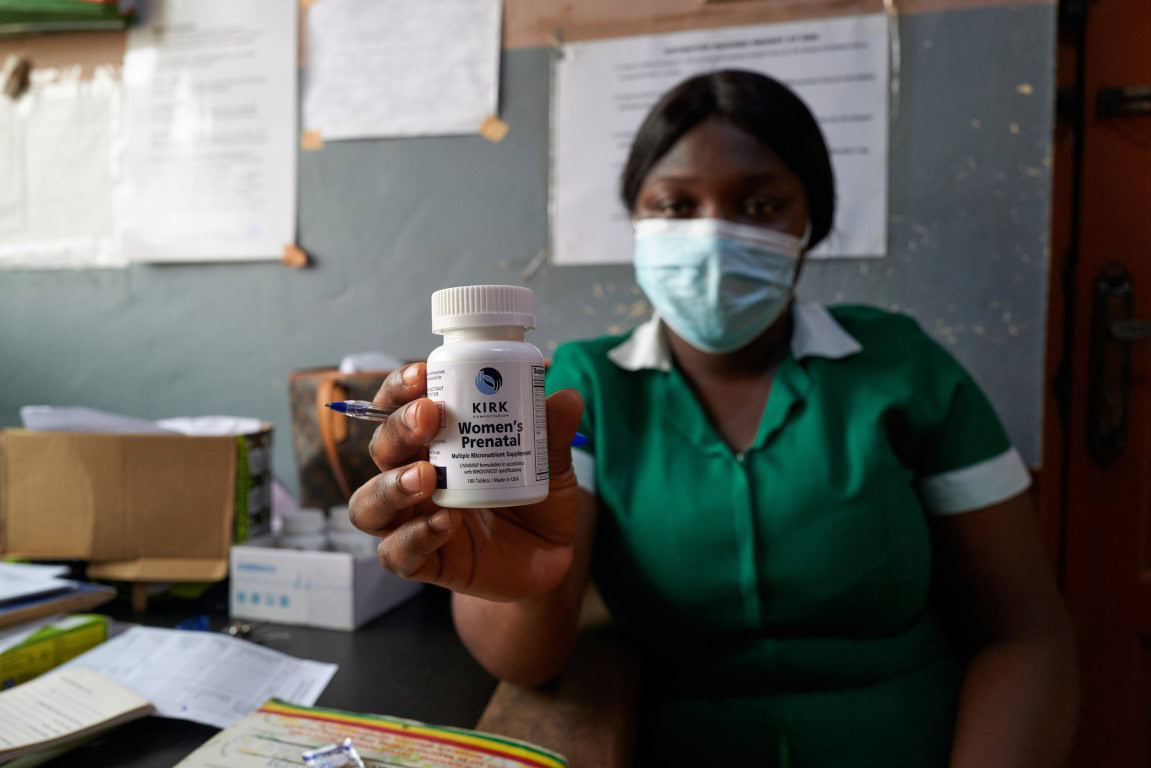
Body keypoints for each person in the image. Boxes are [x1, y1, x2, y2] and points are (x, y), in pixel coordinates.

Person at [349, 70, 1077, 766]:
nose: (713, 237)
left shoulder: (905, 369)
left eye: (759, 205)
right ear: (637, 219)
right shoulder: (583, 389)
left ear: (811, 222)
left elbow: (1026, 635)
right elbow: (528, 657)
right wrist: (509, 575)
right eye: (675, 206)